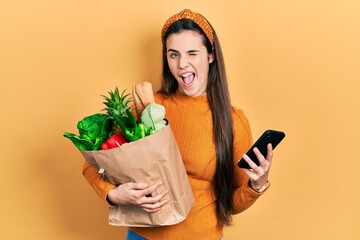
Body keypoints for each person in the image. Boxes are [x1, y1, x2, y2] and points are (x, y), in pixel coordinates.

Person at [82, 9, 273, 240]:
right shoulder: (147, 108)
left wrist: (257, 185)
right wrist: (115, 195)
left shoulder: (231, 121)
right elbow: (93, 164)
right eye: (173, 55)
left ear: (211, 55)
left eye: (192, 53)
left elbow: (231, 204)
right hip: (143, 236)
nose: (182, 64)